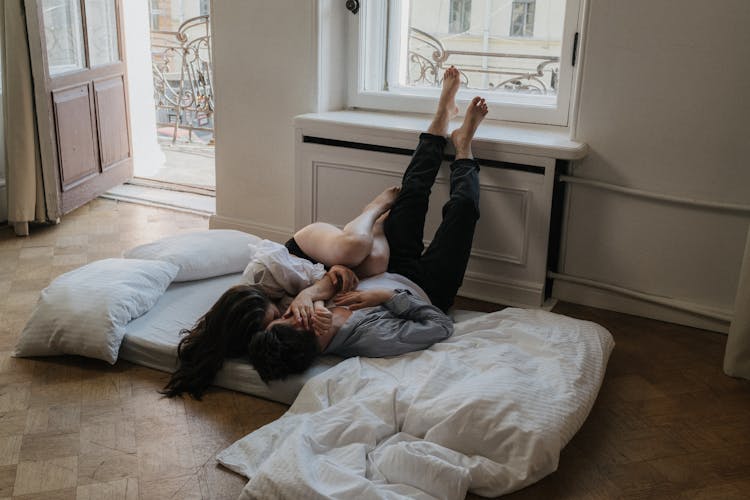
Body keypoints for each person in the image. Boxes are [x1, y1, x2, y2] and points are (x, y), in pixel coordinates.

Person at [249, 66, 488, 383]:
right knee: (463, 210)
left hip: (391, 263)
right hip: (429, 288)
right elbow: (439, 325)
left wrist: (322, 286)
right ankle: (463, 148)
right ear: (312, 336)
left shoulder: (303, 311)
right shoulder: (370, 339)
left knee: (412, 193)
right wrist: (387, 298)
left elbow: (333, 277)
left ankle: (442, 116)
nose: (292, 313)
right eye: (293, 320)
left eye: (286, 317)